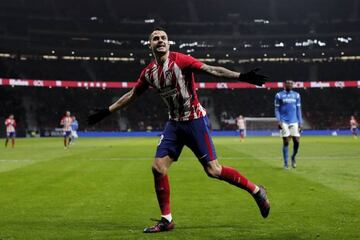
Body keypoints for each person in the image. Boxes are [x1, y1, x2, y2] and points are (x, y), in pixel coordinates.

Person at [87, 28, 270, 233]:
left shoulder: (180, 61)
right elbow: (132, 95)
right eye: (155, 39)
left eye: (163, 38)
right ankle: (167, 220)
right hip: (174, 124)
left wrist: (241, 76)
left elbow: (212, 70)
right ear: (150, 45)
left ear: (169, 43)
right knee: (158, 168)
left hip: (195, 121)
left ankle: (256, 191)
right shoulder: (149, 73)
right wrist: (106, 111)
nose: (160, 41)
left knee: (214, 170)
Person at [274, 80, 303, 169]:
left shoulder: (297, 95)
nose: (290, 85)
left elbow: (298, 109)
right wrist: (279, 121)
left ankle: (293, 157)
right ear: (285, 85)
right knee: (286, 141)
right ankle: (286, 163)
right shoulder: (279, 95)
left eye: (291, 83)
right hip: (284, 121)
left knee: (297, 141)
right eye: (288, 83)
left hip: (294, 121)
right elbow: (276, 109)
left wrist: (300, 122)